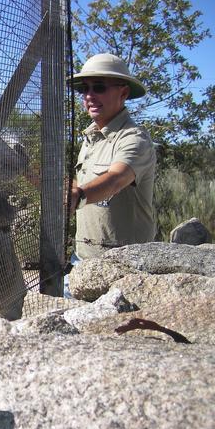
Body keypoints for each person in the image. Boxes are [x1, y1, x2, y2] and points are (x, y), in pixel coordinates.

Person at [65, 53, 157, 296]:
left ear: (123, 93)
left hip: (127, 270)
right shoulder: (91, 139)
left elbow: (116, 178)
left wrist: (79, 195)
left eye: (99, 87)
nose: (89, 96)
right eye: (85, 89)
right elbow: (80, 184)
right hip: (82, 262)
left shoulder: (134, 139)